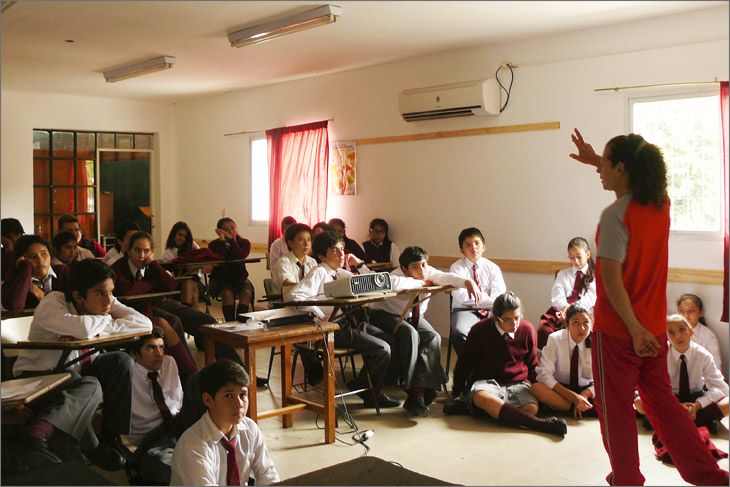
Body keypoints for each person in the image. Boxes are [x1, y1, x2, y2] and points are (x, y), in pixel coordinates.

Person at [569, 128, 727, 485]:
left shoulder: (614, 215)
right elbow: (631, 176)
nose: (600, 170)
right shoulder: (660, 203)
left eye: (605, 164)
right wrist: (595, 157)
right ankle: (709, 477)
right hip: (653, 331)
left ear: (622, 168)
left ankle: (627, 480)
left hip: (619, 333)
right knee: (665, 409)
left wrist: (634, 330)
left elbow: (611, 280)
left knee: (617, 416)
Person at [12, 258, 153, 468]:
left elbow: (144, 324)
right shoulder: (53, 302)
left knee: (121, 361)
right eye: (100, 293)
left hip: (74, 373)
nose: (108, 301)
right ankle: (42, 436)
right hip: (38, 377)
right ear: (78, 295)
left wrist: (105, 313)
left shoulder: (104, 302)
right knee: (89, 384)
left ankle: (110, 438)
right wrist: (110, 321)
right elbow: (84, 329)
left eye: (111, 292)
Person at [289, 231, 399, 408]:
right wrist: (319, 314)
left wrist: (360, 264)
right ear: (321, 255)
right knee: (382, 348)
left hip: (349, 323)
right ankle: (372, 394)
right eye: (335, 250)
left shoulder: (340, 273)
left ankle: (364, 384)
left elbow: (370, 282)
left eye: (342, 249)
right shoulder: (318, 272)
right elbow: (296, 295)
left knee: (391, 340)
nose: (341, 255)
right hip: (332, 328)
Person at [367, 246, 479, 416]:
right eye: (416, 267)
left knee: (433, 337)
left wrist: (467, 282)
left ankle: (420, 391)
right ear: (404, 268)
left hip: (411, 317)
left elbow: (444, 277)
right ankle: (412, 389)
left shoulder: (427, 272)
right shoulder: (396, 276)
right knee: (410, 334)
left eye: (424, 265)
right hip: (384, 316)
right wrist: (420, 283)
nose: (422, 270)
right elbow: (397, 284)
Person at [449, 291, 567, 436]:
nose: (514, 324)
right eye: (507, 319)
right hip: (487, 382)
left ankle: (478, 410)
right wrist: (456, 391)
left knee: (532, 408)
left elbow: (532, 363)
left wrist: (538, 389)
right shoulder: (479, 330)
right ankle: (542, 425)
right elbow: (464, 363)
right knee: (483, 399)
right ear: (497, 318)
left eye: (517, 318)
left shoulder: (527, 329)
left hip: (517, 384)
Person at [170, 360, 280, 486]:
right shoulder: (193, 445)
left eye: (243, 395)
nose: (239, 404)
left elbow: (268, 475)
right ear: (208, 400)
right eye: (229, 396)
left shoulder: (250, 429)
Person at [125, 327, 197, 484]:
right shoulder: (126, 374)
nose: (159, 354)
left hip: (177, 426)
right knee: (160, 463)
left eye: (161, 347)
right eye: (151, 348)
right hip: (150, 435)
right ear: (134, 354)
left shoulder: (169, 363)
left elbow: (177, 400)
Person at [634, 315, 728, 429]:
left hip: (695, 398)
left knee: (727, 403)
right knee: (639, 403)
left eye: (682, 330)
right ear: (666, 336)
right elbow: (651, 385)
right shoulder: (660, 354)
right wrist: (675, 405)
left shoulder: (703, 355)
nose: (678, 336)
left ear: (691, 332)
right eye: (671, 333)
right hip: (668, 399)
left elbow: (722, 388)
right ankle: (694, 421)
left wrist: (697, 405)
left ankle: (672, 422)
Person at [449, 227, 507, 354]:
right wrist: (487, 297)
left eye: (477, 243)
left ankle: (492, 369)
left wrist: (483, 300)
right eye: (468, 245)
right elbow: (461, 298)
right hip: (464, 310)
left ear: (483, 247)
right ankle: (472, 369)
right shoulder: (456, 268)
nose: (473, 248)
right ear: (461, 250)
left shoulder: (493, 268)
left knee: (505, 329)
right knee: (459, 332)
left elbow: (499, 297)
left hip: (493, 310)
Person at [531, 304, 595, 418]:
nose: (582, 328)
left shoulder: (597, 342)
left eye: (586, 322)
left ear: (592, 324)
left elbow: (603, 379)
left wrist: (585, 395)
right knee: (537, 388)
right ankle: (581, 408)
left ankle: (567, 408)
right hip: (561, 389)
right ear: (567, 325)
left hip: (588, 390)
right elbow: (544, 374)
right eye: (575, 322)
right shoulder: (555, 339)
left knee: (613, 392)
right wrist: (574, 398)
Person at [538, 237, 597, 349]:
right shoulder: (563, 274)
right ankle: (552, 361)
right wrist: (564, 309)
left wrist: (571, 310)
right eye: (572, 257)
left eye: (579, 257)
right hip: (562, 311)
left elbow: (591, 298)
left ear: (588, 254)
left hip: (583, 313)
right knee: (544, 330)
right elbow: (557, 296)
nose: (575, 261)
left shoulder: (594, 275)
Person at [1, 234, 69, 310]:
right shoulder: (15, 279)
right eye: (32, 256)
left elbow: (73, 306)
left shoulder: (63, 272)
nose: (40, 260)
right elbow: (14, 306)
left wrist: (41, 295)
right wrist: (25, 269)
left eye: (44, 254)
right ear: (21, 259)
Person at [208, 217, 255, 321]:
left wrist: (232, 241)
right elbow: (221, 257)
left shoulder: (244, 242)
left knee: (246, 293)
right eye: (226, 230)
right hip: (222, 278)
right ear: (220, 231)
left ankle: (240, 322)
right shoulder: (214, 244)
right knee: (226, 294)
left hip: (240, 278)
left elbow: (240, 255)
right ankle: (230, 323)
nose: (231, 231)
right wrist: (222, 240)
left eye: (233, 228)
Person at [161, 221, 202, 309]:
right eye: (180, 235)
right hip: (177, 281)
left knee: (190, 282)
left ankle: (186, 311)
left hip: (195, 280)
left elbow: (201, 261)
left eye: (185, 236)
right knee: (191, 287)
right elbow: (169, 274)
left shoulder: (192, 245)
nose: (182, 238)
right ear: (174, 235)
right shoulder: (168, 252)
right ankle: (190, 313)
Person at [270, 223, 317, 300]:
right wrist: (308, 287)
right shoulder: (283, 262)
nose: (306, 244)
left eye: (308, 240)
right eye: (301, 240)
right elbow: (287, 283)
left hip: (307, 300)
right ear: (290, 243)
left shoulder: (312, 262)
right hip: (284, 302)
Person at [676, 293, 722, 371]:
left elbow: (716, 367)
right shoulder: (670, 332)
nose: (686, 316)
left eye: (691, 311)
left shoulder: (708, 336)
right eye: (682, 311)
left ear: (701, 313)